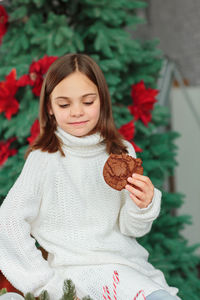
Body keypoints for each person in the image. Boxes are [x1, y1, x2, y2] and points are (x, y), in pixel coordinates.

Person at [0, 54, 181, 300]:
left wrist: (142, 205)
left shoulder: (121, 151)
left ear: (102, 101)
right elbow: (7, 223)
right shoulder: (44, 159)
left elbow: (131, 228)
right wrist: (44, 282)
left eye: (87, 101)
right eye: (64, 105)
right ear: (50, 108)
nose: (77, 112)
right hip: (74, 276)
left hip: (127, 268)